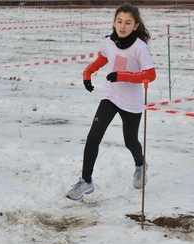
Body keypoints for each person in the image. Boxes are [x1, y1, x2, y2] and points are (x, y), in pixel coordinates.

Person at [66, 3, 156, 201]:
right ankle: (86, 181)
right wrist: (88, 72)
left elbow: (150, 74)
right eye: (119, 21)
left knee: (130, 141)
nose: (122, 26)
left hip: (131, 101)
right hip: (110, 96)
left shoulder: (140, 47)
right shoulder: (109, 42)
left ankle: (140, 165)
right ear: (114, 22)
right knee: (93, 137)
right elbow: (103, 57)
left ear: (136, 26)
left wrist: (123, 76)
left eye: (128, 22)